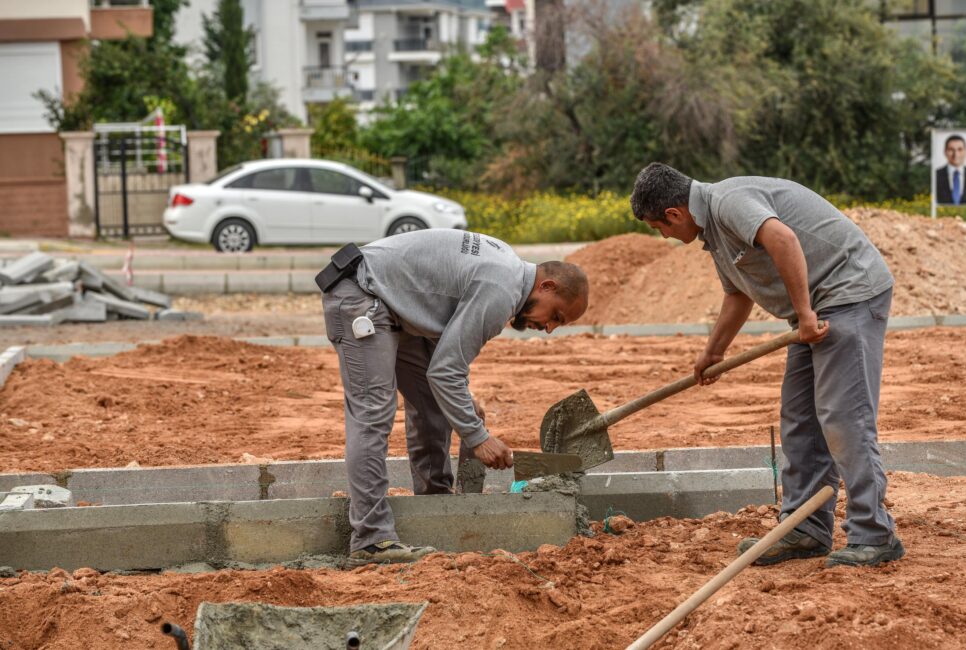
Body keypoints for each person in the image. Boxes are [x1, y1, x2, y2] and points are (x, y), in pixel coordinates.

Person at [629, 163, 904, 568]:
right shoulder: (715, 234)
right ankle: (804, 529)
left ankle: (875, 534)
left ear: (674, 214)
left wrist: (805, 313)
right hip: (812, 312)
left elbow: (784, 240)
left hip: (848, 295)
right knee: (799, 420)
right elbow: (737, 297)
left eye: (660, 228)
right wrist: (714, 352)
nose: (665, 236)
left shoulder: (728, 201)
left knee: (844, 418)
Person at [316, 229, 589, 563]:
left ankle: (435, 507)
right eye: (556, 316)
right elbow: (445, 372)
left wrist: (464, 412)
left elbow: (442, 366)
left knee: (435, 405)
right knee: (373, 413)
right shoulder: (501, 291)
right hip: (361, 294)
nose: (548, 328)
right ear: (548, 287)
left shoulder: (508, 269)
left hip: (392, 306)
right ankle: (371, 540)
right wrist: (477, 436)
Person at [935, 134, 966, 205]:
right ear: (945, 152)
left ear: (965, 151)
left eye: (960, 149)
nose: (956, 154)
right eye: (951, 150)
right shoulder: (936, 175)